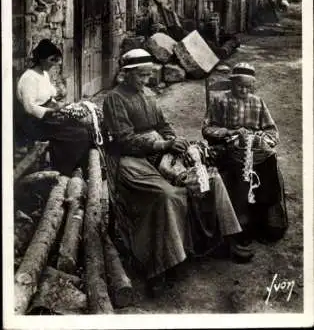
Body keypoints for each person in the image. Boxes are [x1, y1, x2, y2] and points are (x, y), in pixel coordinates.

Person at [102, 49, 253, 297]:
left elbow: (163, 125)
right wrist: (162, 144)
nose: (146, 80)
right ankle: (160, 264)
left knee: (208, 179)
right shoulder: (115, 99)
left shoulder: (147, 93)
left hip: (160, 154)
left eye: (148, 75)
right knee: (167, 195)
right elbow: (124, 140)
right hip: (131, 161)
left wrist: (174, 139)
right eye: (141, 76)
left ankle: (227, 239)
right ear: (126, 75)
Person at [202, 62, 288, 244]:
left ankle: (264, 218)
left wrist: (262, 139)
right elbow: (208, 128)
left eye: (248, 87)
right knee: (242, 170)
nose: (244, 90)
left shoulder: (257, 102)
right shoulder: (220, 100)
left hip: (254, 147)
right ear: (232, 83)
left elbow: (271, 130)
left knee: (268, 162)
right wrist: (229, 132)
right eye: (240, 85)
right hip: (228, 146)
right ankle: (242, 223)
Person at [16, 39, 92, 177]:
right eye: (52, 59)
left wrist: (60, 105)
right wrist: (52, 111)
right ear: (41, 59)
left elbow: (49, 95)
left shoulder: (43, 74)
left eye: (55, 59)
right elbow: (29, 107)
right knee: (78, 133)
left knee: (80, 124)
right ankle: (64, 170)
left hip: (47, 114)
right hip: (34, 121)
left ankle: (75, 167)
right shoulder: (29, 78)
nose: (54, 63)